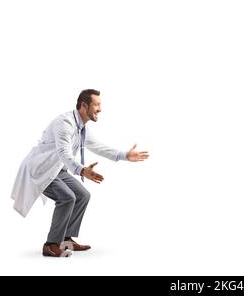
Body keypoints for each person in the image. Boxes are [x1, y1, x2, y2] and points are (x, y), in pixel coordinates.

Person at [11, 89, 149, 257]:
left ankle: (65, 240)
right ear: (84, 105)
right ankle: (50, 244)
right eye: (97, 105)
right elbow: (64, 154)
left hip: (57, 169)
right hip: (41, 169)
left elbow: (98, 147)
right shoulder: (65, 123)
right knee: (67, 197)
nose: (100, 109)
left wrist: (124, 155)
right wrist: (82, 170)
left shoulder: (81, 128)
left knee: (82, 195)